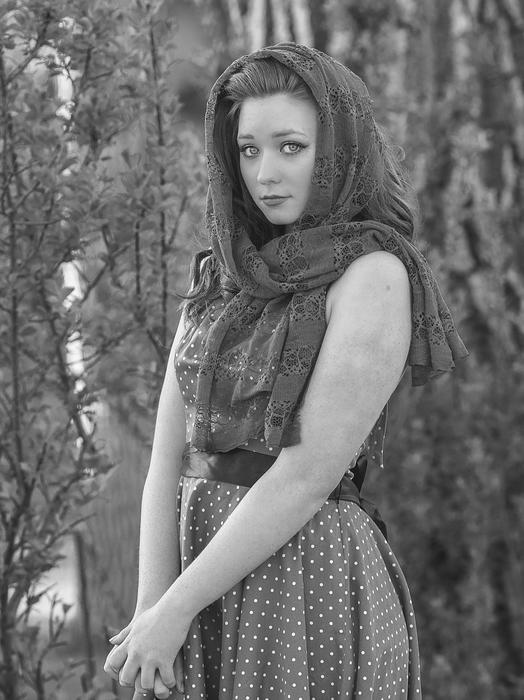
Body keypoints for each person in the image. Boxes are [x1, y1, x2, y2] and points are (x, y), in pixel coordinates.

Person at [104, 42, 468, 699]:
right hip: (196, 582)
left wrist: (178, 607)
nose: (266, 172)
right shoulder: (222, 275)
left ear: (339, 149)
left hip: (307, 576)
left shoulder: (374, 275)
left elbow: (306, 475)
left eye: (291, 147)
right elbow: (168, 458)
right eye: (249, 150)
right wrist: (152, 610)